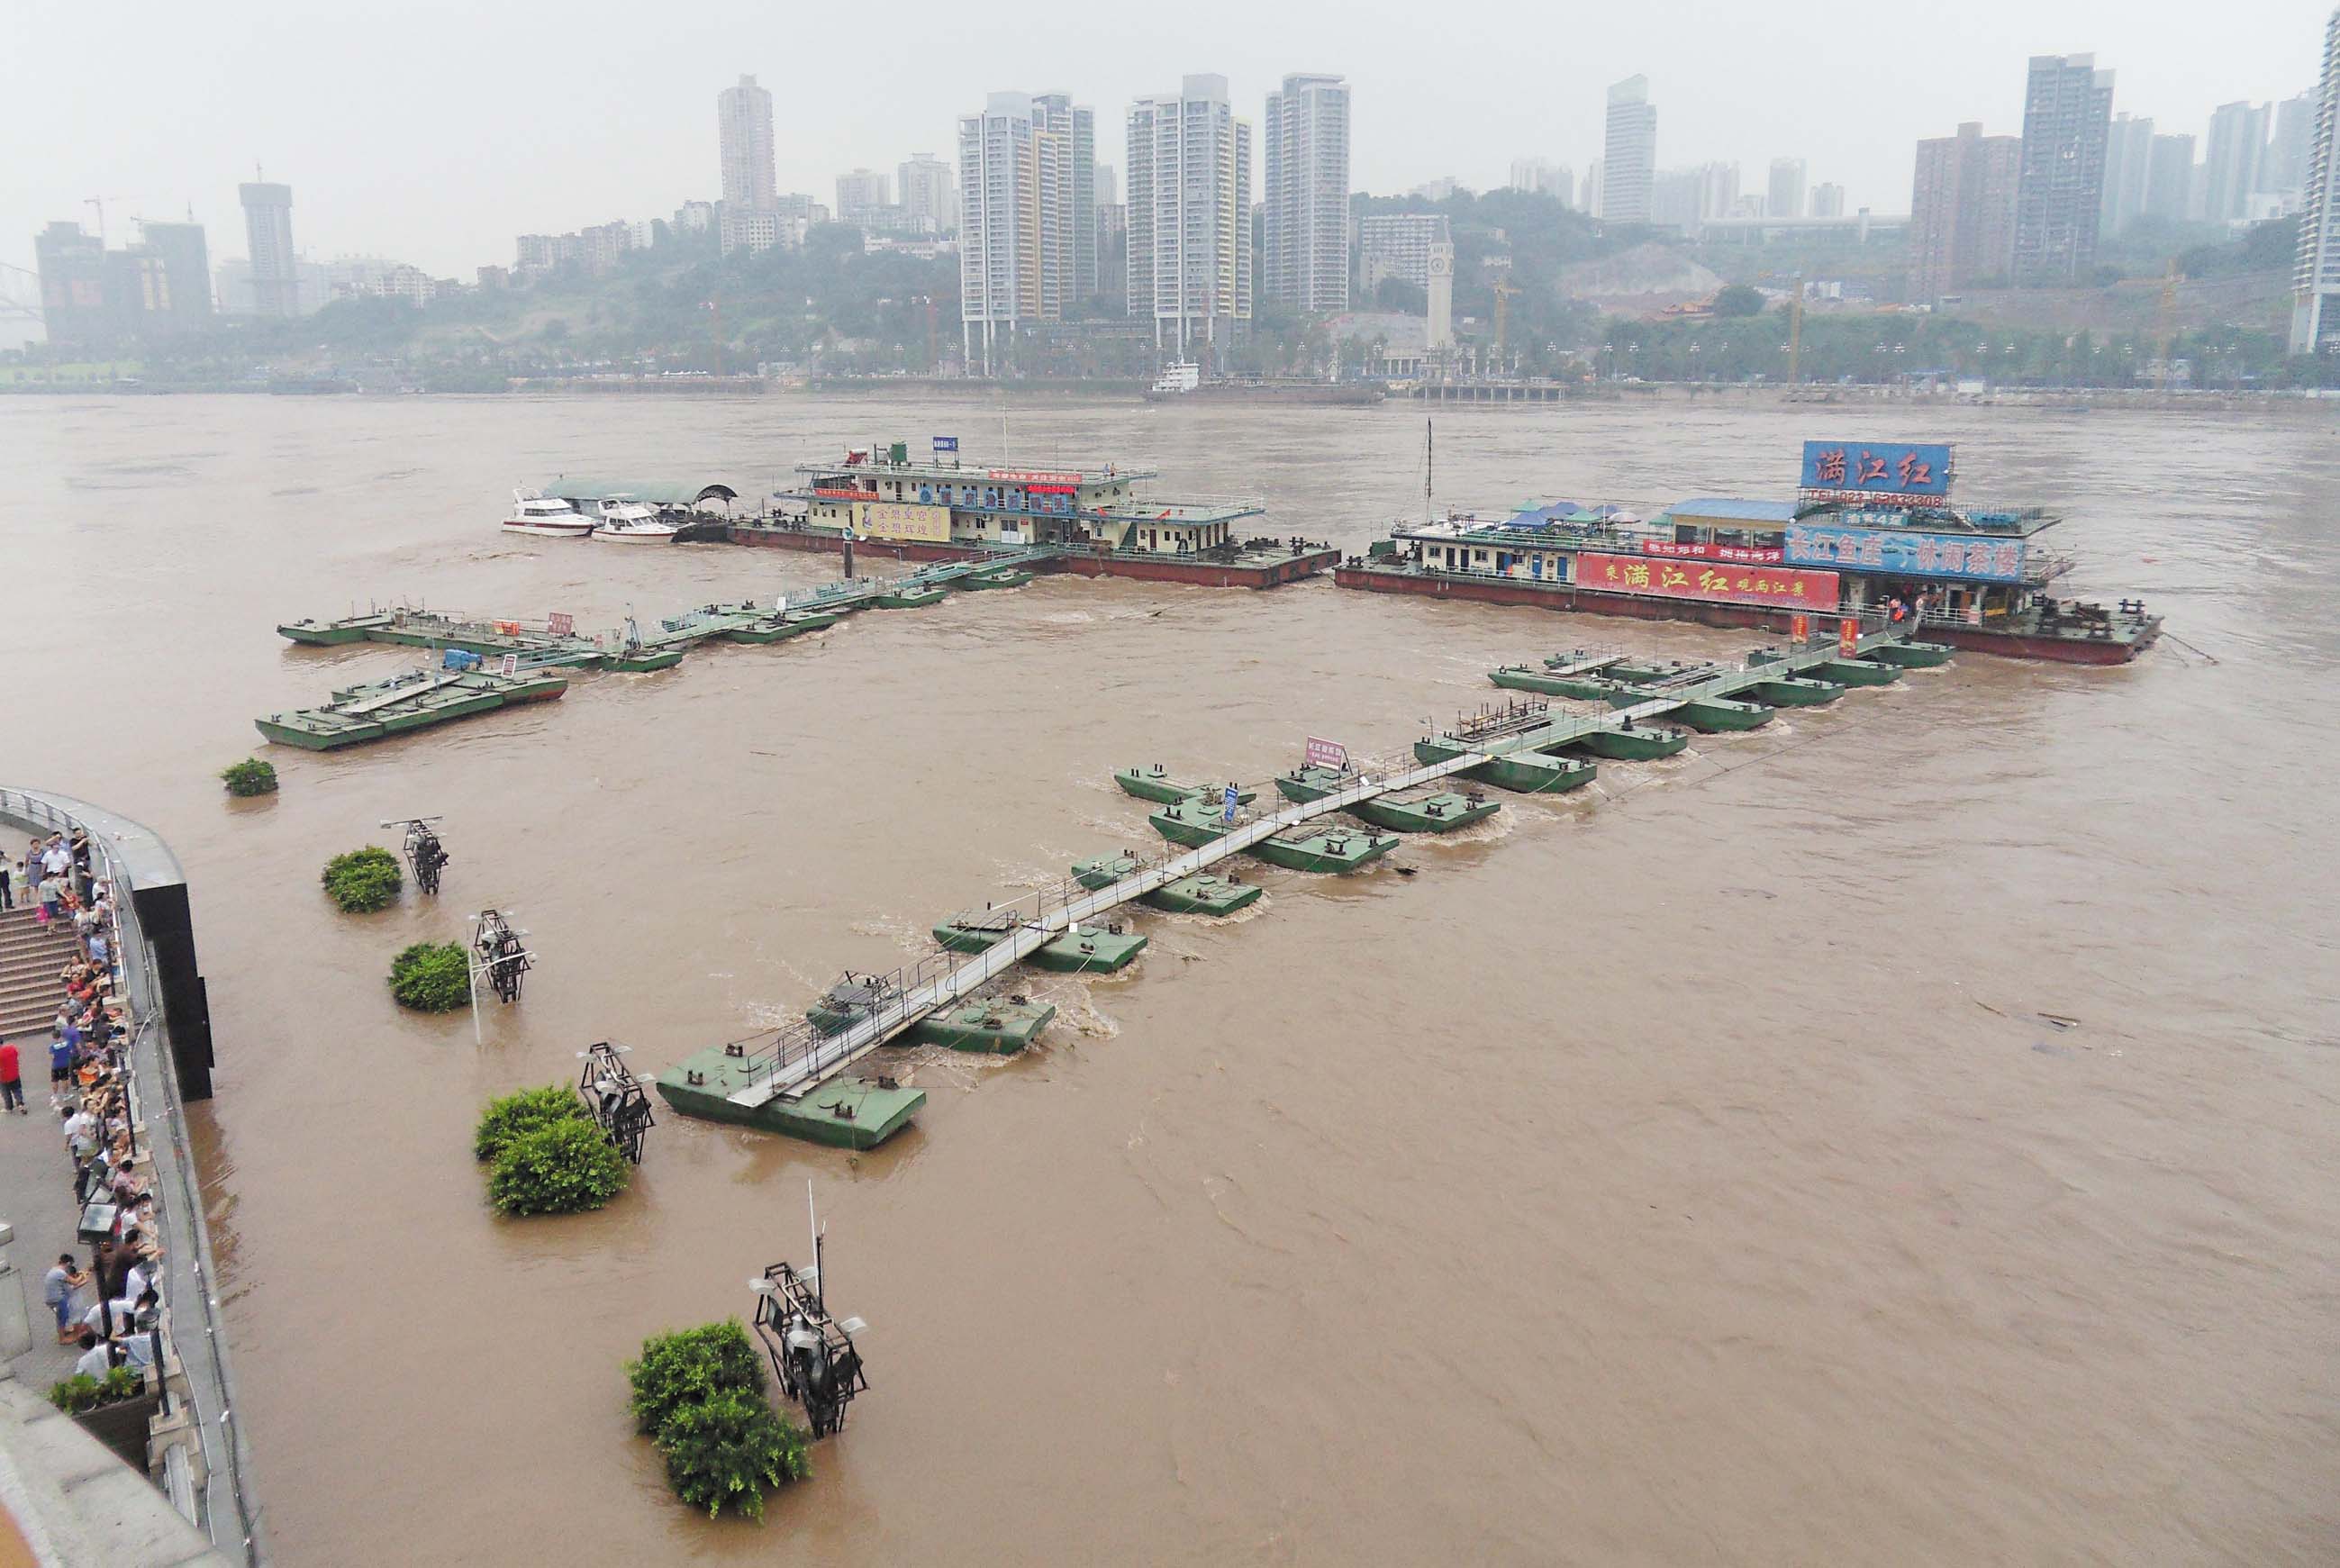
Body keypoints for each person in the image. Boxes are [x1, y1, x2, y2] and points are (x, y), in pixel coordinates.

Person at [42, 1255, 88, 1344]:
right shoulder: (61, 1273)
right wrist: (83, 1276)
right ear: (68, 1263)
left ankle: (62, 1332)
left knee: (60, 1316)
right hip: (58, 1299)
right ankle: (62, 1339)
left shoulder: (54, 1270)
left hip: (50, 1299)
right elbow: (74, 1282)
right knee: (62, 1317)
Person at [0, 1038, 21, 1113]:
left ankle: (9, 1107)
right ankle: (20, 1103)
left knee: (5, 1092)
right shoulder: (12, 1048)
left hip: (3, 1077)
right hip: (15, 1073)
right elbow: (16, 1056)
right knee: (17, 1089)